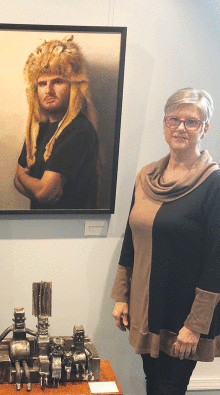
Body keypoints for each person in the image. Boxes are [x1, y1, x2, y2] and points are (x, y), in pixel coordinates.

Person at [111, 88, 220, 395]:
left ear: (205, 129)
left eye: (192, 121)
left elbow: (217, 261)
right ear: (164, 123)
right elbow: (131, 238)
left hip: (183, 315)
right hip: (147, 308)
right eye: (174, 119)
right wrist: (122, 295)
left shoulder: (213, 183)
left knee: (169, 388)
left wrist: (196, 325)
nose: (181, 127)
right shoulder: (147, 177)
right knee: (152, 384)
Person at [14, 35, 99, 210]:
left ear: (73, 86)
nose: (49, 90)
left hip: (70, 230)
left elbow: (42, 192)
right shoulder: (39, 128)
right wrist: (31, 184)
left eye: (57, 82)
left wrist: (25, 178)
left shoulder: (79, 130)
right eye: (42, 84)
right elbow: (18, 181)